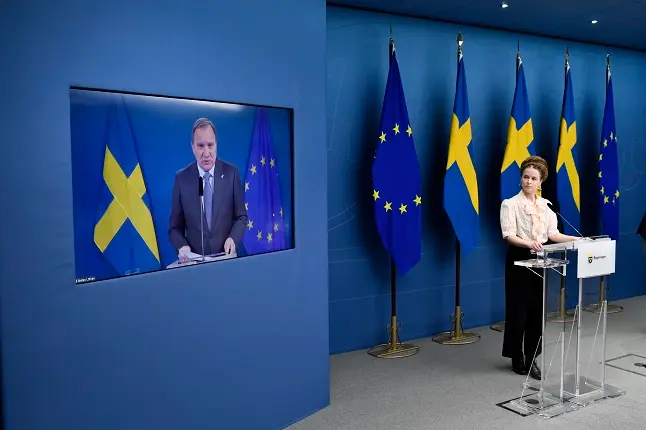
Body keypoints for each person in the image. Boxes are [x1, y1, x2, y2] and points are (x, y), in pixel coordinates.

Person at [499, 155, 579, 380]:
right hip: (519, 259)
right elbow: (509, 235)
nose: (529, 181)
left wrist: (578, 239)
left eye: (534, 178)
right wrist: (528, 243)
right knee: (518, 310)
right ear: (521, 178)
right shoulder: (510, 204)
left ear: (541, 181)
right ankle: (516, 356)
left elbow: (553, 234)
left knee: (536, 311)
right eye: (526, 177)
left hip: (541, 259)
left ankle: (532, 357)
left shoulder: (546, 206)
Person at [169, 117, 248, 263]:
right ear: (192, 147)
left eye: (210, 145)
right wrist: (182, 246)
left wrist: (233, 238)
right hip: (195, 264)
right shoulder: (182, 179)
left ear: (216, 145)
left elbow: (241, 217)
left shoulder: (231, 174)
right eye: (200, 146)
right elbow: (174, 228)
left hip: (226, 260)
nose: (206, 153)